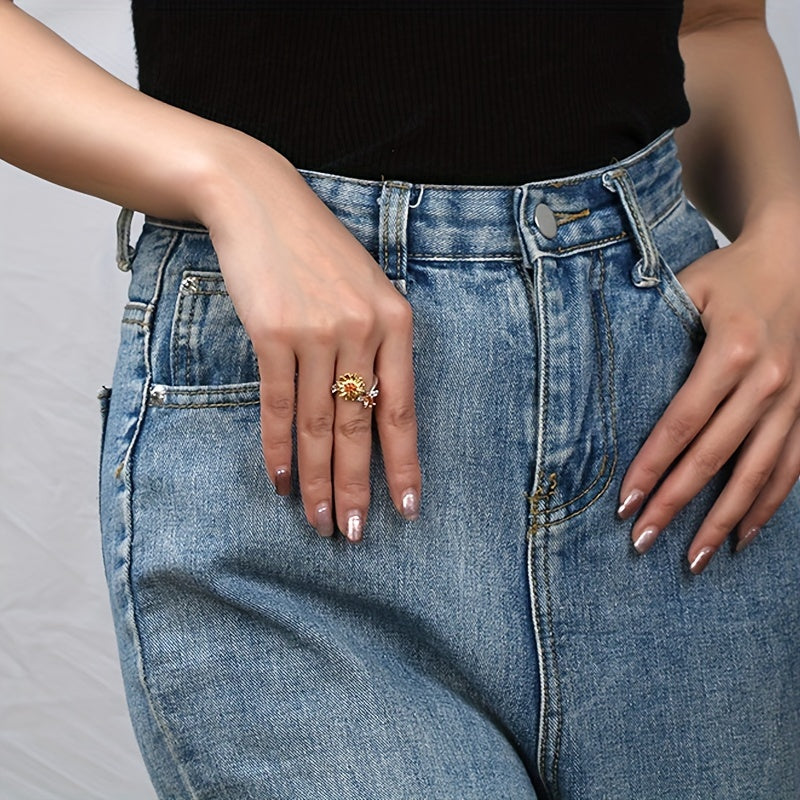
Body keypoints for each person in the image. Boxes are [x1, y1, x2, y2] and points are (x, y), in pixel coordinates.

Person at [2, 0, 799, 797]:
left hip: (684, 438)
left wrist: (784, 229)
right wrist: (226, 174)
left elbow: (714, 24)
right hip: (297, 469)